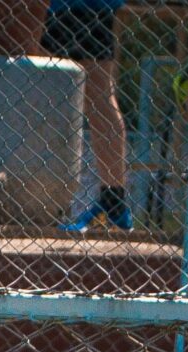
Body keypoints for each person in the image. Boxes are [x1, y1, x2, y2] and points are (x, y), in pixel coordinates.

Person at [50, 0, 135, 232]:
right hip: (62, 8)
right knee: (53, 93)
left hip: (81, 7)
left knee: (96, 93)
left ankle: (113, 202)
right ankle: (111, 202)